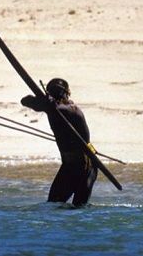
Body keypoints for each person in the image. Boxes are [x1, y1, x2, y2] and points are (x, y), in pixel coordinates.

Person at [21, 77, 99, 207]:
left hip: (86, 165)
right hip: (69, 166)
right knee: (53, 205)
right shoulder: (52, 107)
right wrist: (43, 100)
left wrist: (49, 104)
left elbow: (62, 109)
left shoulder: (70, 109)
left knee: (79, 208)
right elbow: (25, 101)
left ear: (65, 94)